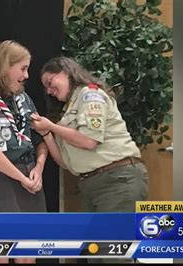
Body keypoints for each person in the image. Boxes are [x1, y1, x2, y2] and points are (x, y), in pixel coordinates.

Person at [31, 56, 148, 262]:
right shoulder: (69, 109)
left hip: (117, 180)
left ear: (66, 72)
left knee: (114, 255)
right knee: (92, 256)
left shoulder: (90, 96)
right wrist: (47, 134)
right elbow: (65, 163)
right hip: (92, 185)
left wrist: (51, 126)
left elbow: (88, 140)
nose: (49, 91)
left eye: (50, 83)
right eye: (46, 88)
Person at [0, 40, 48, 264]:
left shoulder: (23, 98)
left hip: (30, 177)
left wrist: (38, 171)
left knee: (28, 250)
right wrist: (22, 177)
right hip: (1, 177)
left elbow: (41, 140)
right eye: (22, 68)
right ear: (5, 67)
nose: (27, 75)